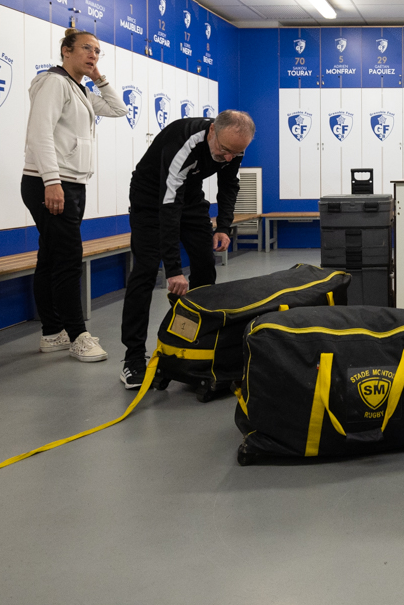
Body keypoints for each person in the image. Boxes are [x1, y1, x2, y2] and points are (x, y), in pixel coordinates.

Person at [119, 110, 255, 389]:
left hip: (190, 196)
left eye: (236, 153)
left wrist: (223, 227)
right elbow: (168, 208)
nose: (229, 158)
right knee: (145, 271)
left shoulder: (233, 147)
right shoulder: (185, 143)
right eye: (225, 150)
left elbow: (229, 186)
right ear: (212, 132)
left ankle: (198, 345)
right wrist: (173, 270)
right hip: (150, 199)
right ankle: (132, 359)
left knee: (205, 265)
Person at [21, 29, 128, 361]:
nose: (93, 55)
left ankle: (53, 332)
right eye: (86, 49)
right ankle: (77, 333)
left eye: (97, 51)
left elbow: (118, 109)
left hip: (69, 183)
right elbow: (39, 133)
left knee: (51, 256)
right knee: (68, 258)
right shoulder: (54, 83)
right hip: (49, 182)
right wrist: (52, 181)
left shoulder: (80, 89)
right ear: (66, 51)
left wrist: (99, 78)